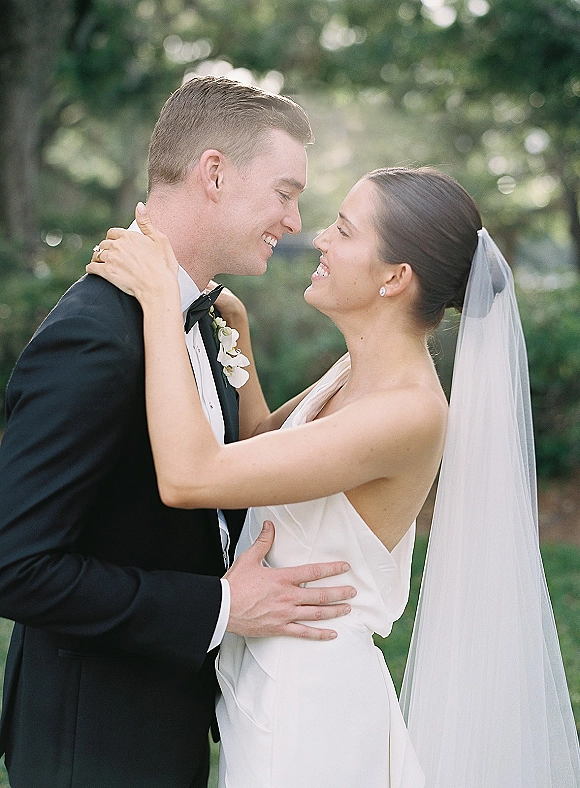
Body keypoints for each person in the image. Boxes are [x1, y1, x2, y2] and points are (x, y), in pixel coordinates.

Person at [88, 165, 580, 788]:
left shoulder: (406, 413)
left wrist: (162, 303)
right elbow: (264, 446)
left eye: (343, 230)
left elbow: (191, 476)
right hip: (270, 682)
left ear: (395, 278)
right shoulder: (357, 368)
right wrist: (234, 331)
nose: (318, 238)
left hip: (312, 711)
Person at [0, 75, 358, 788]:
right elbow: (15, 565)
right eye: (285, 192)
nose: (294, 220)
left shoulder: (207, 316)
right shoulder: (97, 338)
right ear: (215, 175)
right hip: (96, 738)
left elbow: (235, 461)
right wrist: (224, 606)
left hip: (164, 712)